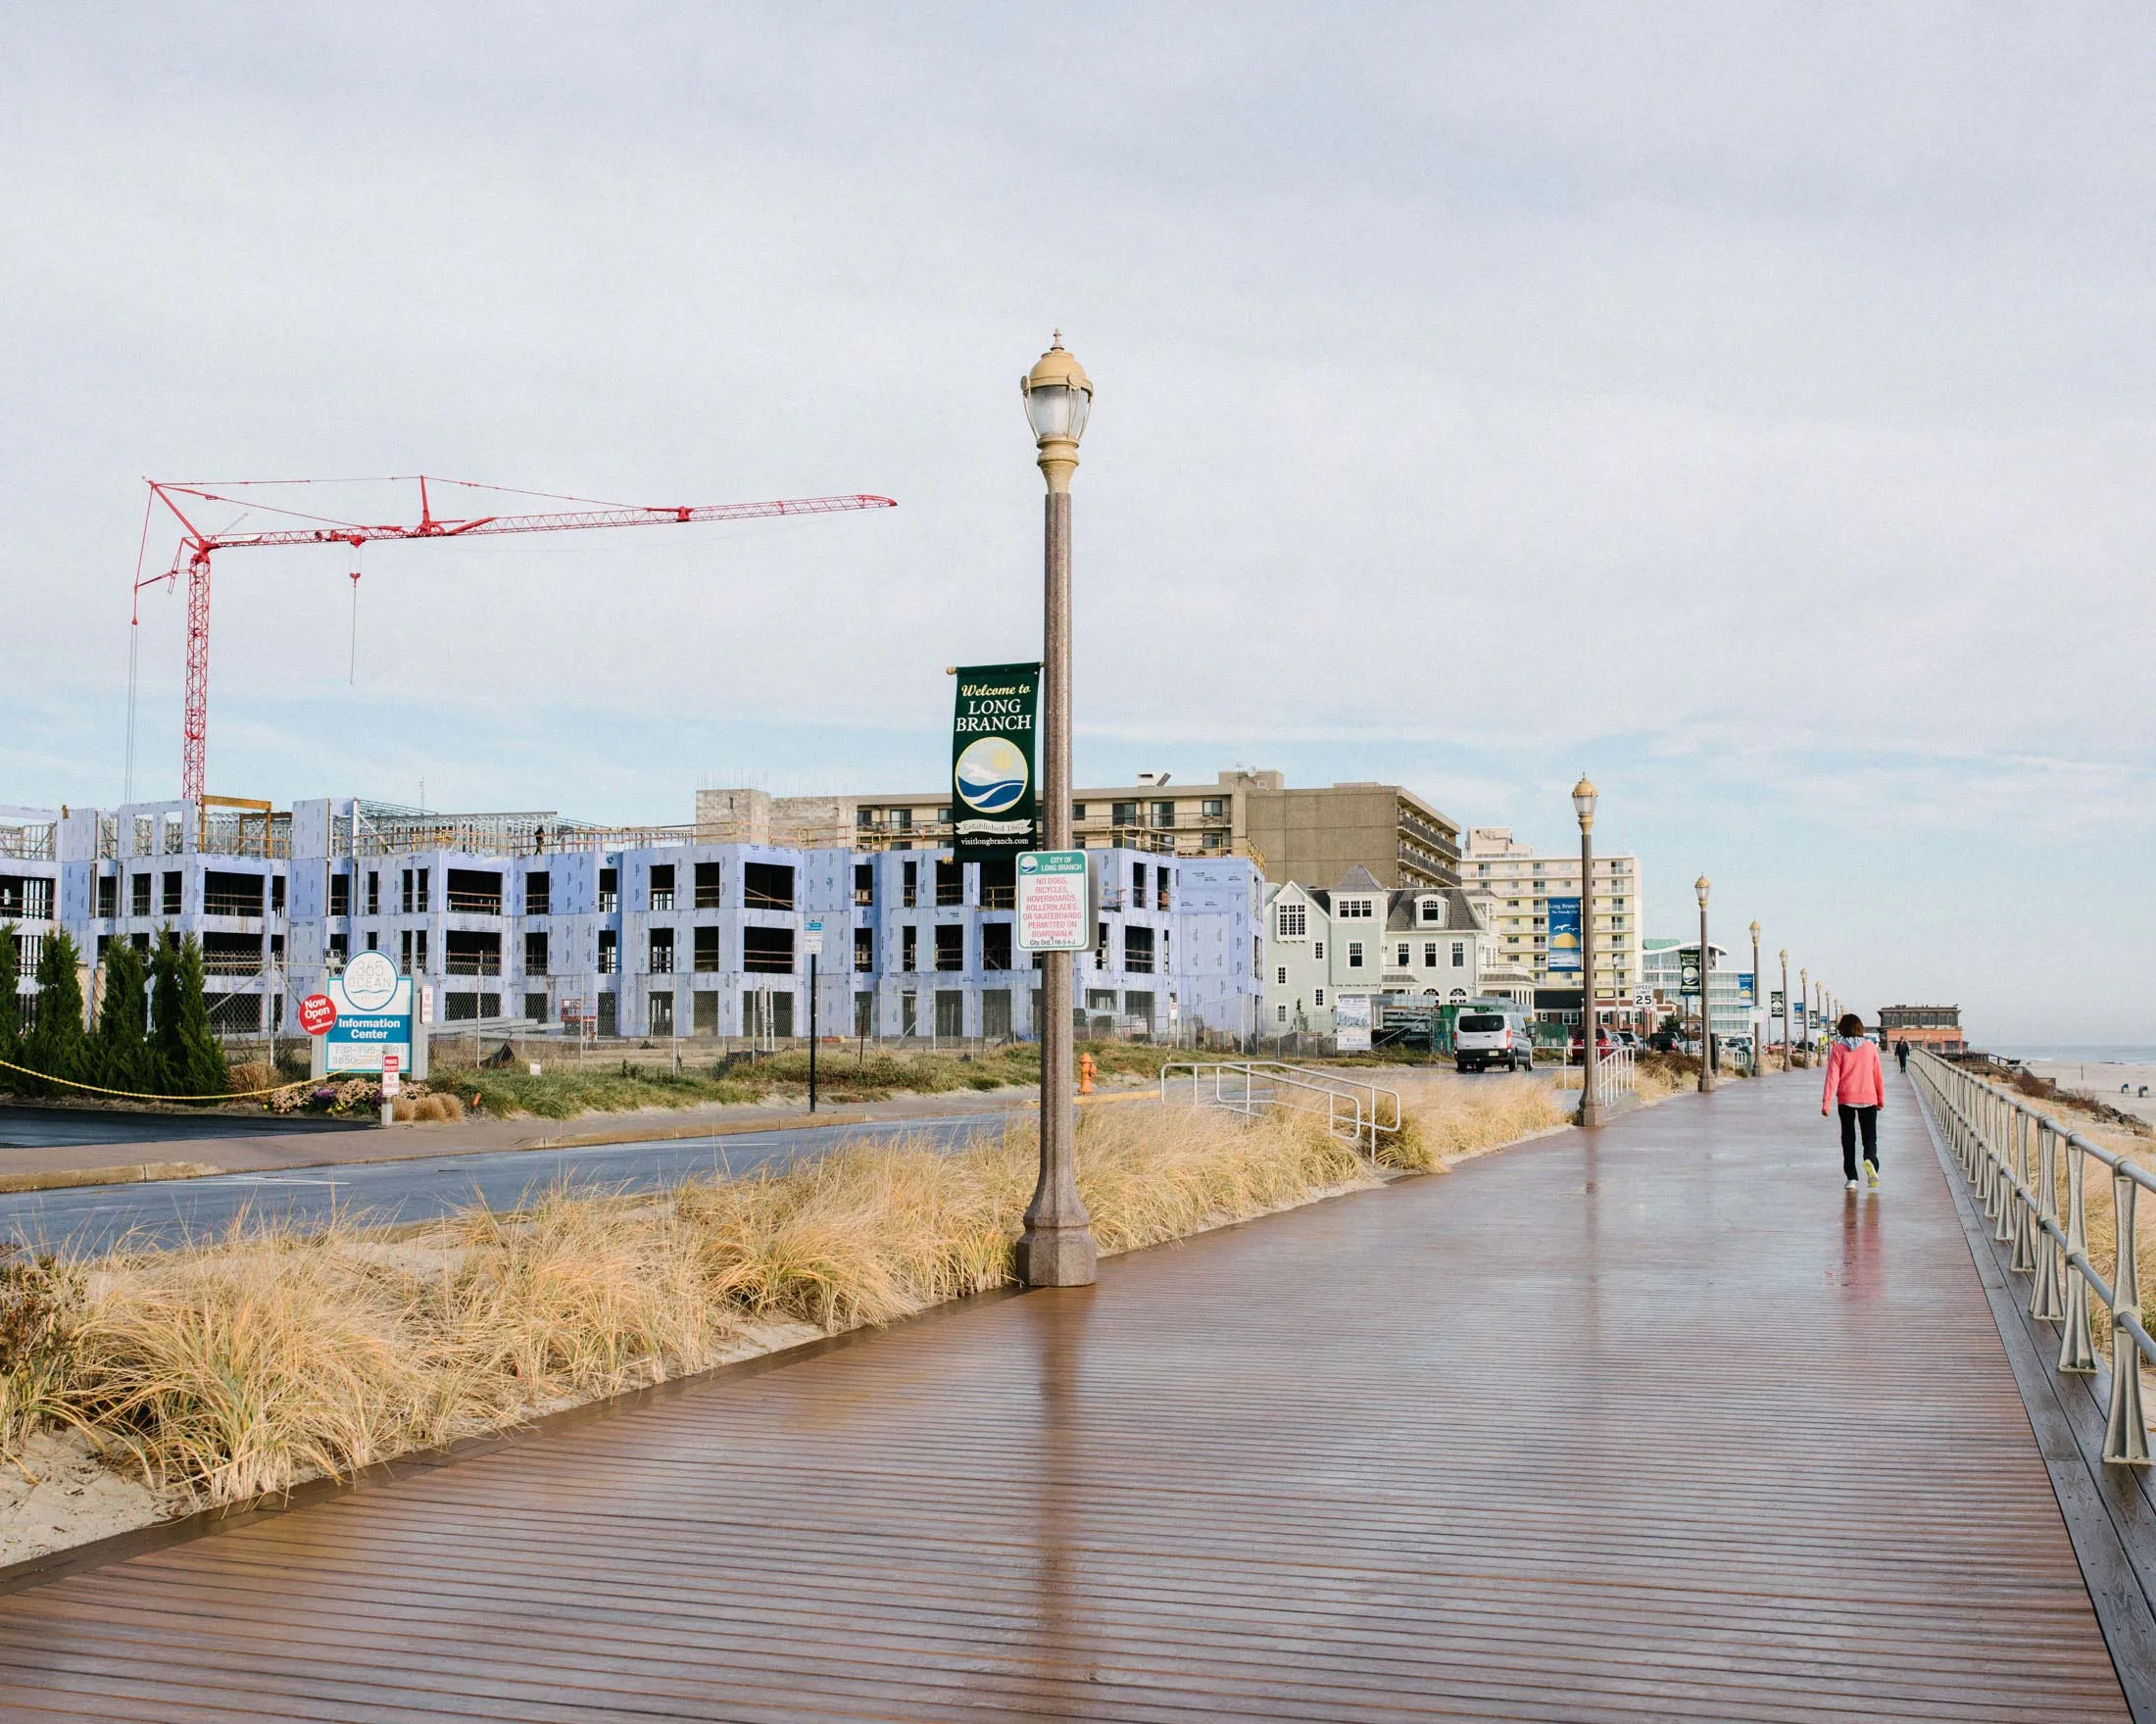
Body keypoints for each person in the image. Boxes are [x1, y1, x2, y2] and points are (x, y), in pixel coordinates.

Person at [1824, 1012, 1886, 1190]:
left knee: (1848, 1139)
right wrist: (1880, 1099)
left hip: (1846, 1099)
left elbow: (1832, 1078)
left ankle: (1851, 1177)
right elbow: (1878, 1076)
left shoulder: (1838, 1049)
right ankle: (1870, 1161)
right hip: (1868, 1098)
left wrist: (1826, 1103)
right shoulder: (1870, 1048)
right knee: (1869, 1138)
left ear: (1842, 1029)